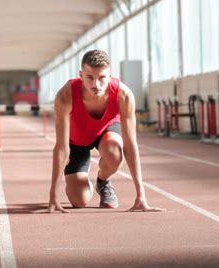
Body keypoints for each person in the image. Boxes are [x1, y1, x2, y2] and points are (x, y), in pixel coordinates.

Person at [47, 50, 165, 213]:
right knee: (79, 201)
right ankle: (81, 179)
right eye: (90, 77)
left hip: (106, 132)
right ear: (81, 75)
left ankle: (103, 181)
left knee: (115, 152)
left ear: (110, 76)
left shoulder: (123, 95)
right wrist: (53, 195)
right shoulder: (65, 96)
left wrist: (141, 196)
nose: (96, 84)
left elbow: (130, 146)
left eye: (102, 77)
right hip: (76, 142)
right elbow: (61, 147)